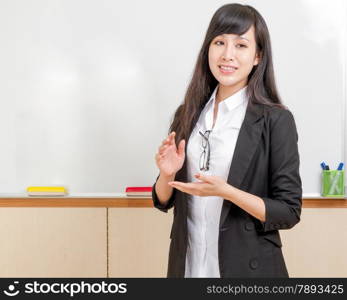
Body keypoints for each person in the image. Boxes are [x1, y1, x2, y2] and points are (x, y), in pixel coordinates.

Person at [152, 3, 302, 278]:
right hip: (189, 266)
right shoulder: (187, 114)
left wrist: (227, 191)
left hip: (247, 270)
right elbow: (164, 200)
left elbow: (288, 211)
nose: (227, 55)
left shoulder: (275, 120)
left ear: (258, 56)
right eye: (220, 42)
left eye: (241, 45)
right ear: (208, 49)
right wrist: (166, 174)